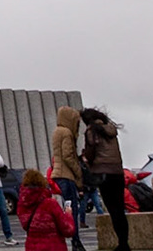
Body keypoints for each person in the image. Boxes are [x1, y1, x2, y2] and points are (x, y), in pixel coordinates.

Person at [79, 108, 128, 251]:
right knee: (120, 209)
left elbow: (90, 154)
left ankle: (122, 245)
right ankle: (124, 242)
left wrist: (85, 158)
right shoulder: (111, 130)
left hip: (103, 172)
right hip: (117, 172)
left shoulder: (91, 132)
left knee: (113, 210)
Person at [50, 105, 86, 251]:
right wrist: (79, 173)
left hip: (58, 175)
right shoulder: (66, 133)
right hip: (66, 175)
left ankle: (72, 240)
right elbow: (68, 156)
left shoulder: (56, 131)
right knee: (73, 211)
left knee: (67, 208)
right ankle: (75, 241)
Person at [15, 169, 75, 251]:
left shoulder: (22, 205)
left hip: (32, 247)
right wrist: (68, 215)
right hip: (54, 246)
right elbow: (68, 230)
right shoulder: (50, 204)